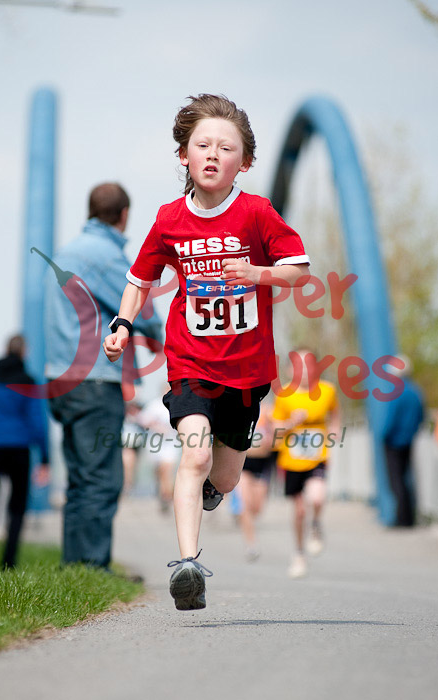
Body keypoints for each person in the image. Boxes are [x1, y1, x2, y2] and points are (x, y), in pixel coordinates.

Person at [103, 94, 310, 610]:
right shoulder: (170, 219)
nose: (213, 154)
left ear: (246, 162)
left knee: (225, 475)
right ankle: (187, 566)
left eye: (226, 147)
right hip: (191, 361)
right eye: (203, 145)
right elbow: (139, 280)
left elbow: (299, 270)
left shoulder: (257, 213)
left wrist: (258, 272)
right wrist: (123, 323)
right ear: (184, 156)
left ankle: (213, 491)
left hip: (247, 370)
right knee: (194, 453)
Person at [44, 183, 162, 570]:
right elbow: (140, 309)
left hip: (60, 379)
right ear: (124, 215)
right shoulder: (106, 255)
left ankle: (75, 567)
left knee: (81, 477)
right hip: (94, 382)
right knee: (102, 479)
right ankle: (92, 568)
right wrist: (161, 338)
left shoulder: (66, 252)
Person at [0, 335, 48, 573]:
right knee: (17, 507)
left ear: (6, 349)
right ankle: (9, 561)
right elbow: (37, 422)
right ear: (24, 352)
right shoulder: (27, 381)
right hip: (18, 450)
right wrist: (45, 457)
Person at [273, 349, 340, 579]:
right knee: (300, 510)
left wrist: (334, 429)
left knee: (317, 497)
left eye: (308, 364)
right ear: (289, 369)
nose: (303, 370)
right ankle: (299, 553)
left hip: (317, 457)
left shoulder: (327, 391)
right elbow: (276, 429)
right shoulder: (283, 395)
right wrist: (292, 421)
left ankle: (316, 526)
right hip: (291, 460)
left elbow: (335, 413)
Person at [382, 355, 424, 527]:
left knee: (396, 481)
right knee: (407, 478)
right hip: (409, 440)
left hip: (393, 442)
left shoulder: (396, 392)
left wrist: (384, 435)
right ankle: (410, 518)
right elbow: (421, 416)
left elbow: (390, 420)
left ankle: (402, 519)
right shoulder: (415, 391)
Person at [237, 401, 276, 562]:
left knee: (257, 508)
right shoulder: (237, 408)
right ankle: (251, 544)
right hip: (243, 463)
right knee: (245, 504)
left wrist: (271, 439)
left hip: (262, 463)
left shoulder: (268, 411)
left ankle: (247, 522)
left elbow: (277, 434)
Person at [138, 390, 177, 512]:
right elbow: (142, 420)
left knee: (167, 470)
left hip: (171, 443)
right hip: (155, 443)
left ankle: (166, 496)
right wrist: (156, 426)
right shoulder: (154, 405)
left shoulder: (176, 404)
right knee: (159, 471)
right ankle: (162, 492)